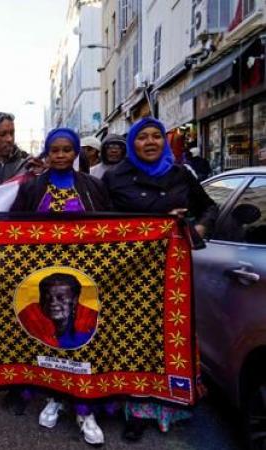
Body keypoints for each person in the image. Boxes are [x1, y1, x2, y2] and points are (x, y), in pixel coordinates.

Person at [102, 117, 217, 441]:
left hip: (172, 271)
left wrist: (197, 228)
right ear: (132, 143)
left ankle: (169, 405)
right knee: (133, 340)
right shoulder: (115, 178)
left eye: (156, 136)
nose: (150, 142)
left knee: (170, 336)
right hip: (129, 272)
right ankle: (136, 411)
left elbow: (208, 207)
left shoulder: (181, 173)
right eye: (142, 137)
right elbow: (103, 223)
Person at [11, 127, 111, 446]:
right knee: (47, 336)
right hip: (41, 277)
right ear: (46, 152)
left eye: (67, 149)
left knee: (83, 338)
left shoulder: (94, 186)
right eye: (54, 150)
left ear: (76, 152)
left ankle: (85, 408)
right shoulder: (31, 188)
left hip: (85, 278)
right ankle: (53, 396)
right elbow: (14, 226)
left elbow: (112, 228)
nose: (60, 155)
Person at [17, 273, 97, 349]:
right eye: (47, 297)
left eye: (61, 298)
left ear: (74, 300)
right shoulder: (28, 318)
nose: (53, 303)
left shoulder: (91, 322)